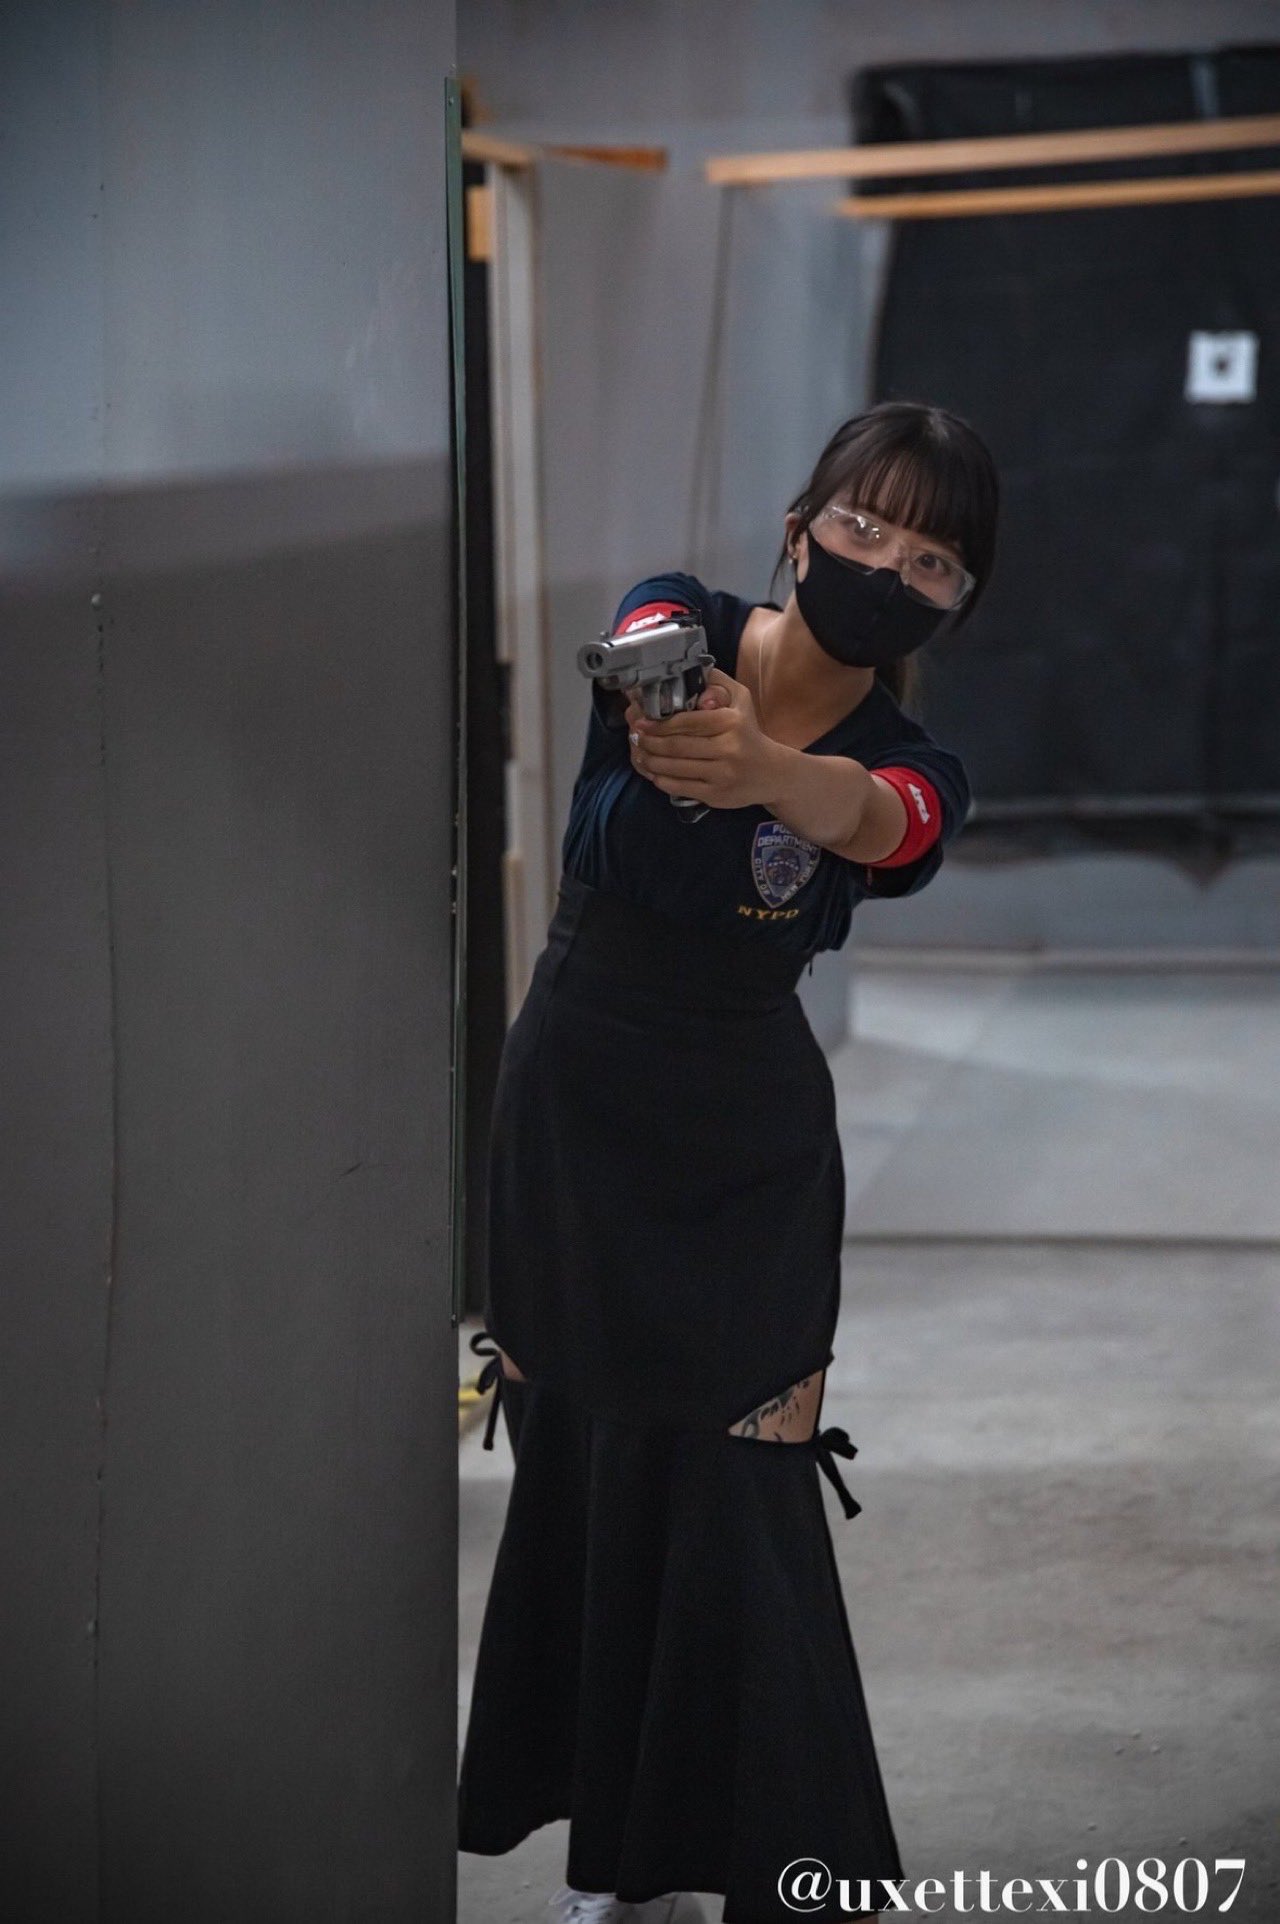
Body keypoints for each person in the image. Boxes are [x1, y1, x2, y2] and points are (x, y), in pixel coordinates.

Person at [457, 400, 1000, 1924]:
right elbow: (636, 662)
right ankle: (622, 1869)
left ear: (959, 603)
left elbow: (882, 825)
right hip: (576, 1118)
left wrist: (767, 769)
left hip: (745, 1160)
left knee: (743, 1494)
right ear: (799, 526)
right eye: (866, 526)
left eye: (935, 560)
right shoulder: (678, 623)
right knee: (587, 1472)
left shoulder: (918, 765)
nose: (889, 567)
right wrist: (681, 703)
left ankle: (790, 1875)